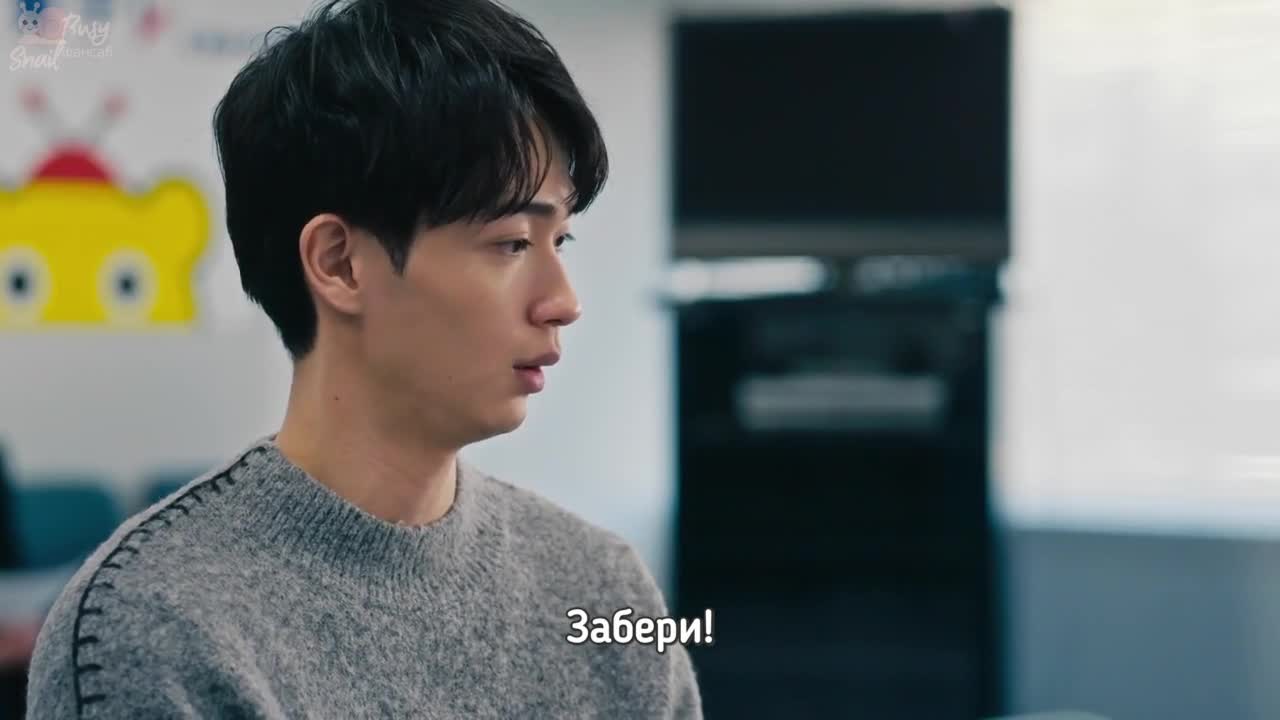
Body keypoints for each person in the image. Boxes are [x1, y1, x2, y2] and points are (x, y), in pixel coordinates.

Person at [24, 0, 703, 716]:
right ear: (340, 264)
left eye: (558, 241)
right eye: (511, 243)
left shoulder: (605, 592)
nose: (563, 301)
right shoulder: (150, 627)